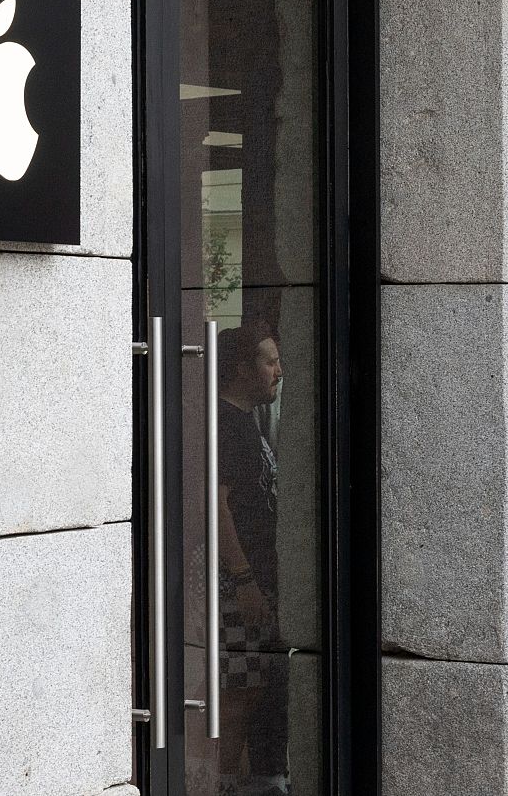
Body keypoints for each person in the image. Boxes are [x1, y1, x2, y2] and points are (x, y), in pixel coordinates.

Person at [216, 321, 290, 795]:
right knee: (242, 688)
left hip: (258, 576)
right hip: (238, 578)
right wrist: (242, 577)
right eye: (269, 360)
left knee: (256, 682)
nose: (279, 371)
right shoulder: (224, 423)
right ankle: (217, 781)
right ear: (242, 369)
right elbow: (216, 504)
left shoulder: (250, 421)